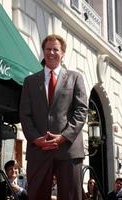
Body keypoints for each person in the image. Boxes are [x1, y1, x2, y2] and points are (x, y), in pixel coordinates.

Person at [20, 34, 88, 200]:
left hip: (68, 151)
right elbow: (24, 114)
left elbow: (81, 110)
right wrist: (36, 139)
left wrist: (63, 137)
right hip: (39, 150)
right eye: (48, 49)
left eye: (55, 49)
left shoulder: (75, 77)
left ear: (63, 53)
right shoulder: (30, 81)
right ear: (43, 51)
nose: (51, 52)